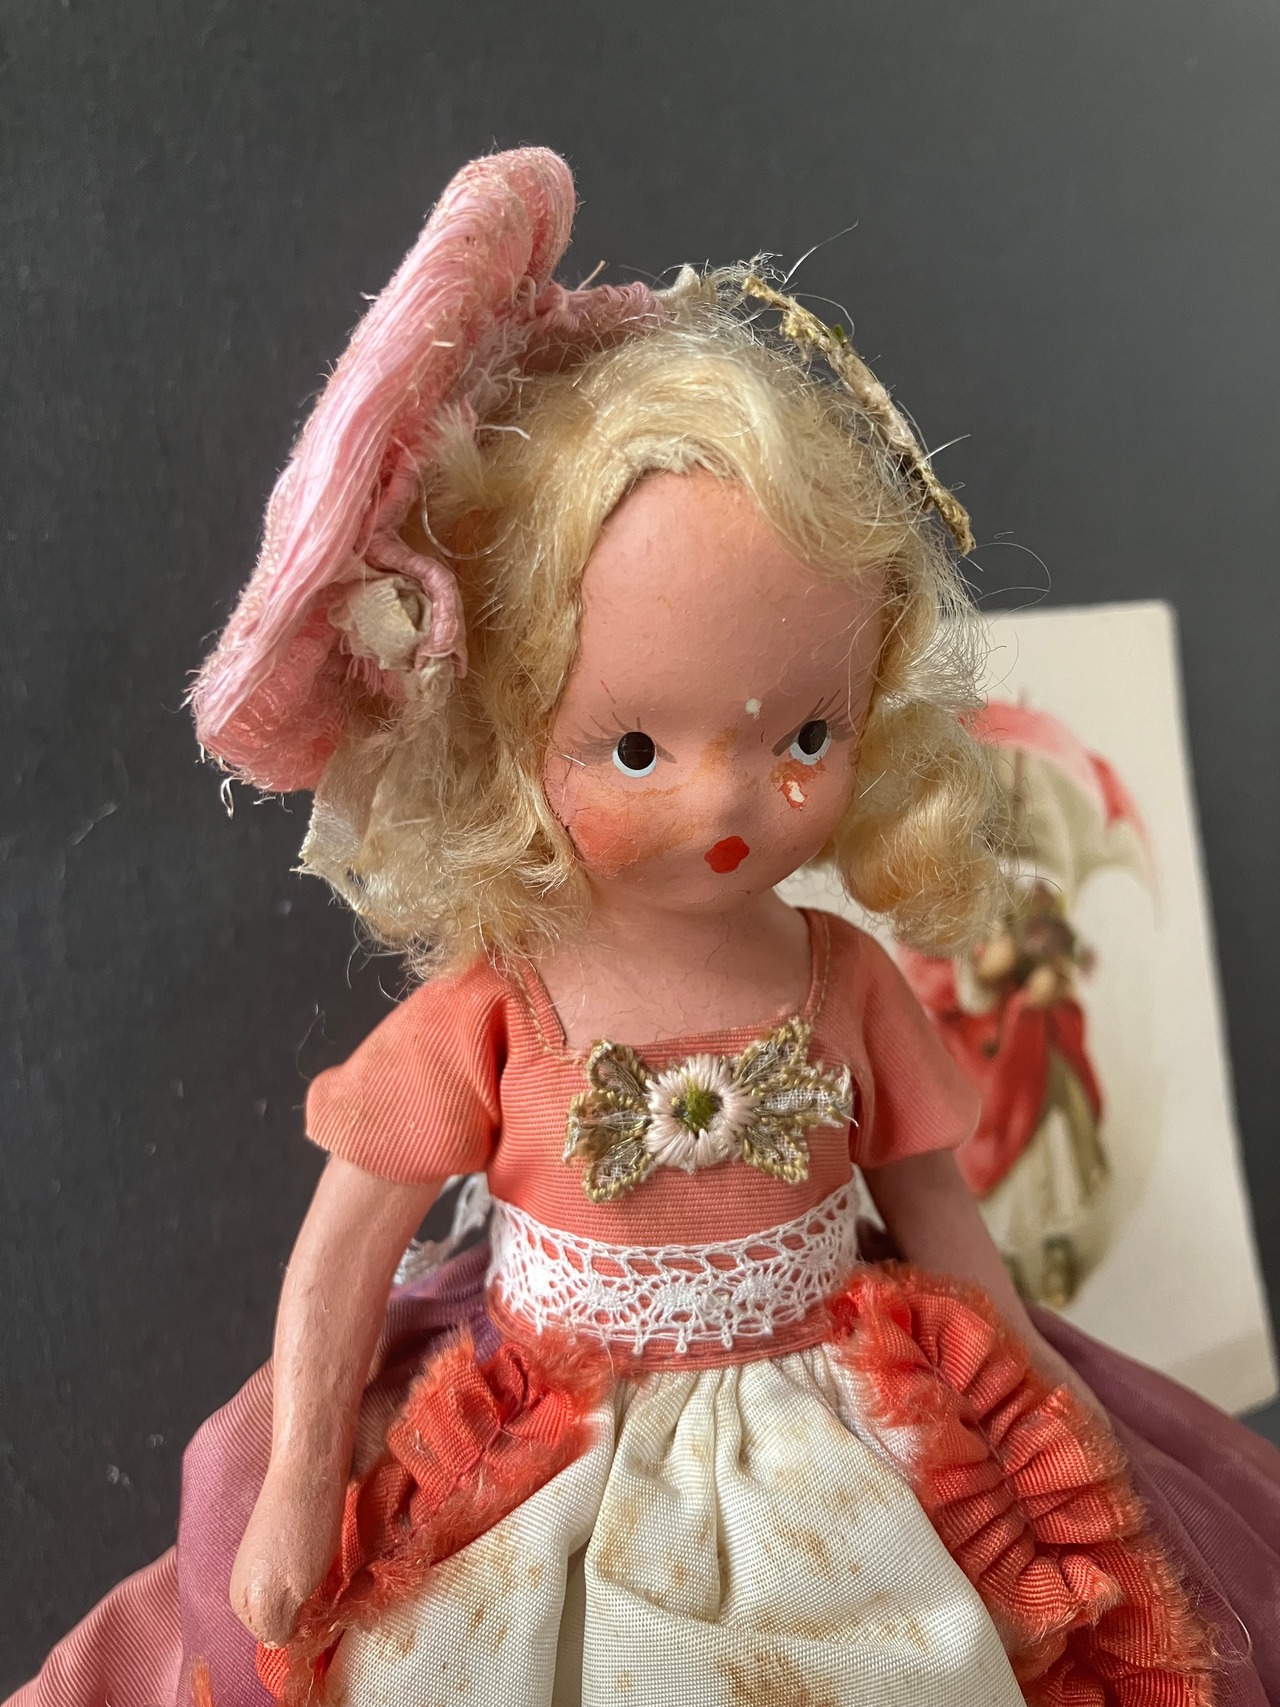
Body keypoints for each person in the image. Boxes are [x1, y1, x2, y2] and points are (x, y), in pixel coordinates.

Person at [13, 148, 1277, 1707]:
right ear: (510, 731)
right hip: (557, 1454)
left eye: (804, 736)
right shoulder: (503, 1008)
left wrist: (1028, 1416)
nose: (729, 803)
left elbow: (938, 1212)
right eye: (633, 747)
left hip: (840, 1446)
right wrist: (297, 1482)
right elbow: (345, 1250)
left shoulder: (840, 979)